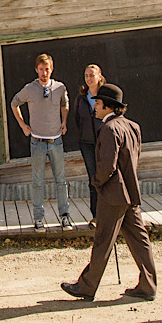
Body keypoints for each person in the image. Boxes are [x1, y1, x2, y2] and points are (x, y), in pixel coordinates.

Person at [60, 82, 157, 301]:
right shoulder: (133, 126)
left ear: (109, 107)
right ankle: (148, 285)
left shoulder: (108, 129)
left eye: (98, 103)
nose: (94, 106)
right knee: (139, 240)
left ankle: (86, 286)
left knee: (103, 240)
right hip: (131, 192)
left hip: (113, 194)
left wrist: (96, 182)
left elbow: (107, 166)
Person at [9, 53, 71, 232]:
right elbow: (14, 103)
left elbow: (64, 103)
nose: (45, 72)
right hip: (37, 140)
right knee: (38, 181)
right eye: (42, 69)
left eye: (48, 69)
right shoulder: (29, 89)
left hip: (56, 141)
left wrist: (64, 122)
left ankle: (65, 216)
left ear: (52, 69)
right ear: (37, 70)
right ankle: (38, 219)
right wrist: (23, 125)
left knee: (61, 180)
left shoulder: (59, 87)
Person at [66, 63, 105, 225]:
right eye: (86, 75)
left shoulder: (105, 95)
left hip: (105, 140)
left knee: (108, 175)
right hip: (87, 142)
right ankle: (96, 214)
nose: (89, 78)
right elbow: (77, 119)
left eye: (92, 75)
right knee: (93, 177)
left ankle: (111, 213)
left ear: (99, 77)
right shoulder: (81, 98)